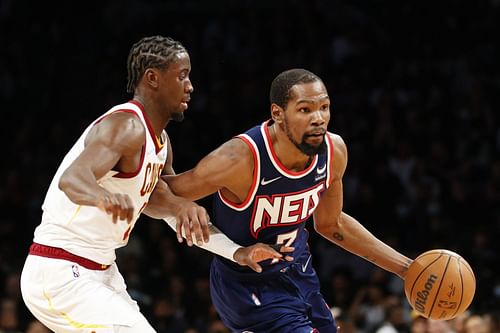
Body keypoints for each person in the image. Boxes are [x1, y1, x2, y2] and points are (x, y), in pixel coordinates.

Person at [19, 35, 276, 333]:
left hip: (102, 271)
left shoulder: (162, 143)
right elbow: (73, 179)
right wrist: (103, 197)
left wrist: (235, 251)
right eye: (182, 76)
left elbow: (164, 207)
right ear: (152, 78)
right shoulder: (126, 127)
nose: (190, 86)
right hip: (60, 269)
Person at [151, 68, 414, 332]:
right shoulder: (238, 159)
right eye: (305, 110)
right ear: (277, 113)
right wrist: (177, 202)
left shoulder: (334, 152)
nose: (319, 119)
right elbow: (152, 194)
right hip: (248, 289)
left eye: (324, 107)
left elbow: (332, 224)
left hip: (300, 277)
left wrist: (406, 269)